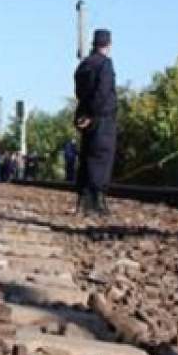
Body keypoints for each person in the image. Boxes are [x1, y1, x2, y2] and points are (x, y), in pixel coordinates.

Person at [74, 29, 118, 216]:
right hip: (101, 118)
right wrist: (93, 113)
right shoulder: (105, 64)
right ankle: (96, 204)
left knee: (87, 157)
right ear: (108, 45)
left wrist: (84, 114)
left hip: (85, 118)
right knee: (102, 158)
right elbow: (103, 92)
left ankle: (83, 202)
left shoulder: (84, 65)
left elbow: (79, 92)